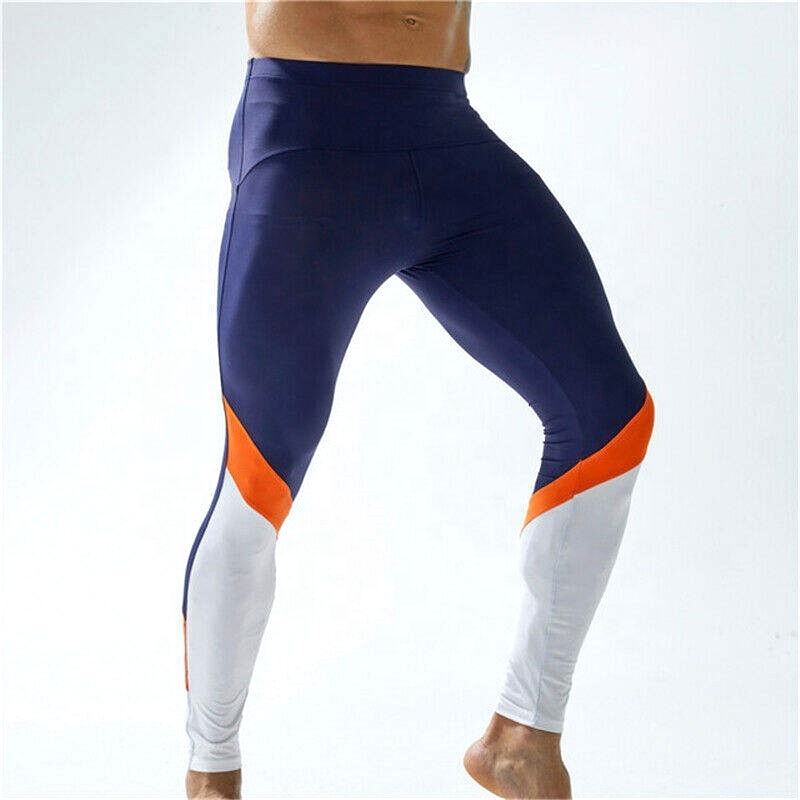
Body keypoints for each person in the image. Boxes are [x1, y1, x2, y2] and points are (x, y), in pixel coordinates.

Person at [182, 2, 654, 798]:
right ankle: (212, 776)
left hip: (446, 137)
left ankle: (522, 737)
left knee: (609, 415)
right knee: (259, 474)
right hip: (309, 141)